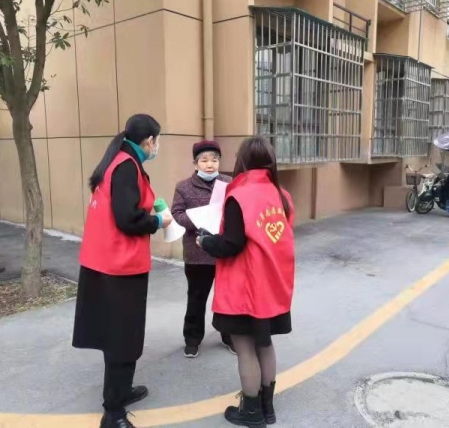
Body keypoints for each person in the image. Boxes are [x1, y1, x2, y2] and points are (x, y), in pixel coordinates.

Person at [72, 114, 172, 428]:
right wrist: (158, 221)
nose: (157, 146)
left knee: (121, 336)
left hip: (108, 263)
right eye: (157, 140)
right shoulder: (126, 166)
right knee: (121, 339)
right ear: (149, 141)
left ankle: (122, 390)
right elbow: (127, 218)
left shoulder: (119, 160)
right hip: (118, 268)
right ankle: (113, 412)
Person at [197, 136, 296, 427]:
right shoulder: (282, 195)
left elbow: (232, 244)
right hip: (272, 286)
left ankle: (251, 413)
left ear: (242, 161)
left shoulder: (238, 195)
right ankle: (268, 408)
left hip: (245, 288)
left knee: (245, 349)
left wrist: (206, 242)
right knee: (265, 344)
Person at [171, 140, 235, 358]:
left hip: (223, 252)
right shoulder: (183, 187)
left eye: (214, 160)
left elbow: (237, 209)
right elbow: (177, 214)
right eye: (204, 160)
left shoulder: (229, 183)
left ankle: (228, 336)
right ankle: (192, 339)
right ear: (195, 163)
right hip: (197, 254)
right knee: (196, 299)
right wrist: (201, 219)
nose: (210, 165)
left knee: (226, 298)